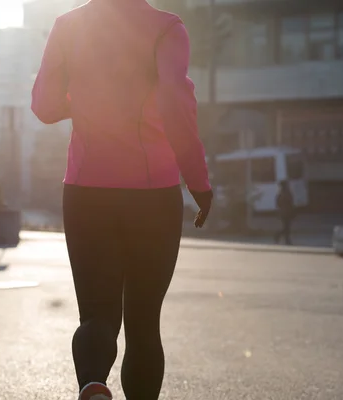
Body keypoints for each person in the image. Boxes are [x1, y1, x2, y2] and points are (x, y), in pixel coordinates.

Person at [31, 1, 213, 400]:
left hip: (85, 193)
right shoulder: (166, 29)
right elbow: (176, 103)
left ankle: (94, 385)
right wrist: (198, 182)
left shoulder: (67, 25)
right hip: (153, 197)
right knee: (144, 322)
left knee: (96, 314)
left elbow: (43, 105)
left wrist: (85, 105)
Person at [274, 180, 295, 245]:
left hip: (283, 212)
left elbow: (277, 203)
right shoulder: (287, 193)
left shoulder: (280, 193)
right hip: (286, 212)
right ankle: (282, 238)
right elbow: (291, 202)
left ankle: (284, 239)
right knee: (287, 227)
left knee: (286, 227)